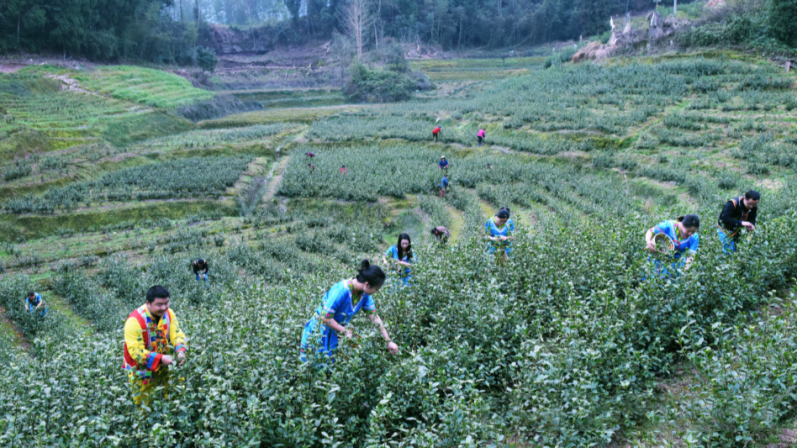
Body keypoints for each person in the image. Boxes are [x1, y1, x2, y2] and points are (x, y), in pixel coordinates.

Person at [300, 260, 398, 367]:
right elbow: (325, 318)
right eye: (376, 289)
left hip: (335, 331)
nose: (376, 291)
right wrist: (345, 331)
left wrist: (388, 341)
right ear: (366, 284)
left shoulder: (364, 295)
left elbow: (375, 317)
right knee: (314, 368)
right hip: (319, 331)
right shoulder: (342, 290)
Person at [123, 285, 187, 405]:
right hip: (142, 368)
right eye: (159, 304)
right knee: (145, 403)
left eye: (166, 303)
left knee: (175, 395)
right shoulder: (134, 321)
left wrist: (180, 350)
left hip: (166, 362)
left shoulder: (169, 314)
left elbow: (177, 334)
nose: (164, 307)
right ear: (148, 303)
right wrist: (160, 358)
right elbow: (136, 352)